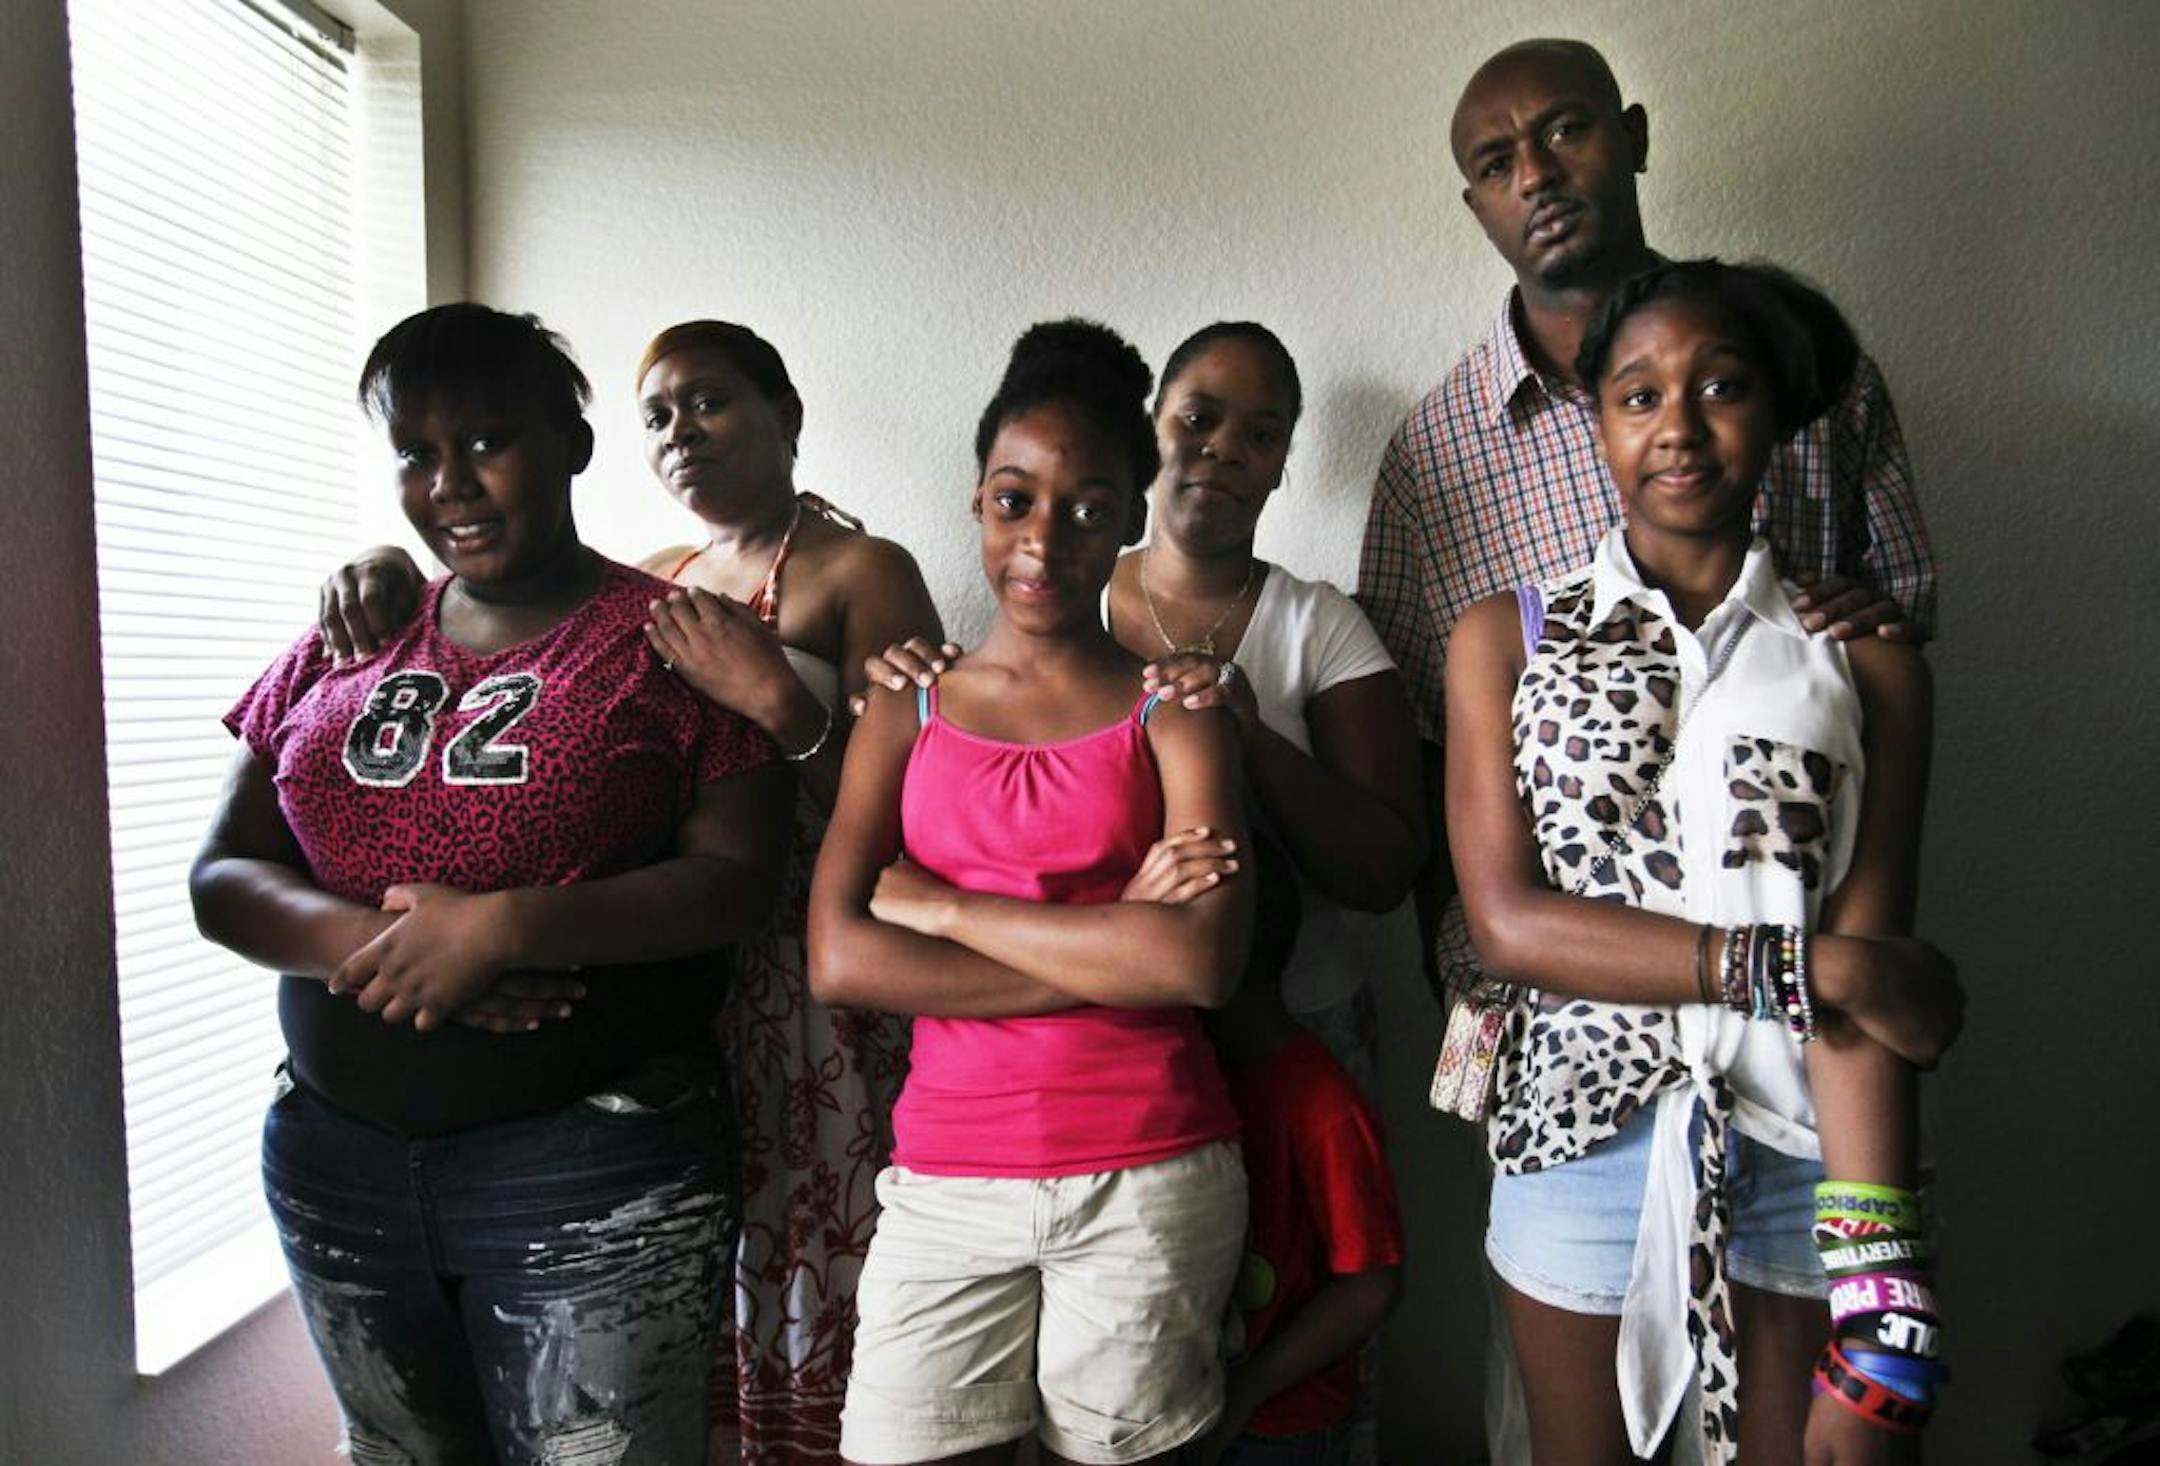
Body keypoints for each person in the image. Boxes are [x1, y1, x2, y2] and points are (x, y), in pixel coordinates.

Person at [317, 319, 941, 1465]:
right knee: (697, 1276)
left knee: (818, 1242)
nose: (681, 431)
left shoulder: (865, 571)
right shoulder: (654, 578)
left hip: (818, 978)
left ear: (785, 415)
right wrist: (390, 573)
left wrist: (777, 696)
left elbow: (926, 817)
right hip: (682, 982)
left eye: (709, 400)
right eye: (657, 414)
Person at [191, 303, 793, 1462]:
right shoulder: (351, 630)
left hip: (593, 1166)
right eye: (416, 452)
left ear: (572, 441)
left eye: (486, 440)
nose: (451, 484)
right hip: (337, 1162)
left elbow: (737, 881)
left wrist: (509, 927)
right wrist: (390, 948)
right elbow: (222, 876)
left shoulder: (674, 639)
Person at [1444, 260, 1961, 1465]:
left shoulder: (1867, 665)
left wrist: (1886, 1316)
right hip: (1576, 1142)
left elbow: (1872, 994)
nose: (1677, 424)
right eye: (1639, 395)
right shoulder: (1506, 636)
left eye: (1720, 387)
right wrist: (1806, 967)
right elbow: (1511, 921)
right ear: (1598, 424)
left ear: (1774, 415)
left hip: (1800, 1157)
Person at [1355, 36, 1938, 1015]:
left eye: (1565, 131)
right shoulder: (1434, 454)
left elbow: (1898, 631)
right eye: (1497, 164)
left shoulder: (1805, 374)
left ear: (1633, 137)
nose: (1536, 175)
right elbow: (1419, 745)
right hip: (1553, 994)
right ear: (1476, 206)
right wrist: (1461, 975)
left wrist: (1861, 624)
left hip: (1800, 974)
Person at [808, 319, 1253, 1466]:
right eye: (1015, 501)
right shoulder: (905, 704)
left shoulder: (1178, 710)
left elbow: (1199, 963)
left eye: (1088, 509)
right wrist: (1117, 944)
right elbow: (840, 957)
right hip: (948, 1171)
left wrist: (944, 908)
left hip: (1147, 1165)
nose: (1044, 541)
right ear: (977, 502)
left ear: (1130, 518)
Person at [868, 322, 1425, 1095]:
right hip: (1081, 1058)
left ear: (1280, 467)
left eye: (1261, 436)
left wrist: (1250, 735)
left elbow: (1383, 874)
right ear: (1151, 431)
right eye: (1198, 419)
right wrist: (909, 689)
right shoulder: (1054, 589)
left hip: (1294, 1021)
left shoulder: (1318, 625)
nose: (1223, 448)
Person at [1186, 835, 1405, 1466]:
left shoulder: (1321, 1104)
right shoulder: (1197, 1078)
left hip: (1286, 1425)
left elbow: (1370, 1287)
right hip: (1205, 1407)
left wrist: (1249, 1390)